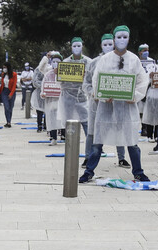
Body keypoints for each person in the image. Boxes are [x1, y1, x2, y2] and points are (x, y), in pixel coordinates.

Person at [80, 25, 150, 183]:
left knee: (132, 142)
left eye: (125, 37)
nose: (121, 40)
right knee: (98, 141)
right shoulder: (105, 59)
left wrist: (135, 96)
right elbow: (96, 80)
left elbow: (142, 81)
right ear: (113, 39)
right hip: (106, 108)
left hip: (127, 109)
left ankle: (138, 172)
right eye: (119, 37)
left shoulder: (134, 59)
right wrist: (103, 96)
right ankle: (89, 171)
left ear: (129, 39)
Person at [83, 33, 128, 167]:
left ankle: (121, 157)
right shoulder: (94, 63)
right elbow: (86, 83)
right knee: (92, 131)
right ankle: (87, 157)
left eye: (110, 44)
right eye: (105, 44)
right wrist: (94, 94)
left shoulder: (123, 60)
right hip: (97, 104)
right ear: (101, 45)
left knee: (118, 128)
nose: (108, 47)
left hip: (117, 103)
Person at [57, 38, 91, 149]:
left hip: (83, 98)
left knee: (86, 123)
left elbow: (93, 79)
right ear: (71, 47)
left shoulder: (89, 62)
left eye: (79, 46)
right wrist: (58, 74)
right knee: (70, 124)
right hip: (68, 98)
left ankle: (90, 147)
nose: (76, 48)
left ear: (82, 46)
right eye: (74, 46)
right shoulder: (65, 63)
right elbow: (60, 83)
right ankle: (70, 146)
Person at [41, 52, 63, 145]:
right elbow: (43, 86)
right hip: (51, 101)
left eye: (58, 62)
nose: (56, 64)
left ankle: (64, 135)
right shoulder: (48, 74)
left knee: (62, 119)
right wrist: (43, 93)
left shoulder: (65, 73)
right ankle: (53, 137)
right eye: (54, 61)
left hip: (62, 101)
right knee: (52, 119)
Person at [0, 62, 17, 127]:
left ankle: (9, 121)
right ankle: (7, 121)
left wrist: (11, 94)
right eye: (3, 68)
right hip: (4, 91)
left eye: (5, 67)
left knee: (11, 107)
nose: (4, 69)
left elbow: (14, 85)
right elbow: (2, 84)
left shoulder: (14, 74)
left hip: (11, 91)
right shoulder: (3, 74)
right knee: (6, 107)